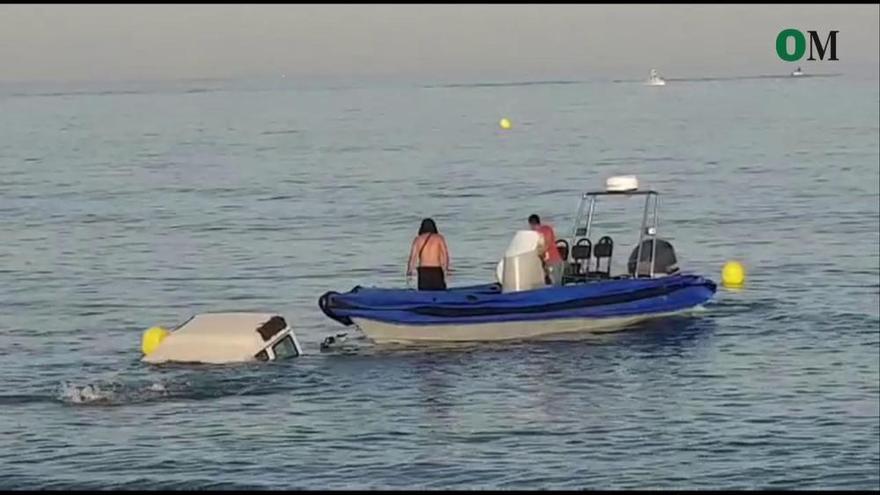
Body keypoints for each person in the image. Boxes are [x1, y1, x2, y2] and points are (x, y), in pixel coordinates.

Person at [406, 218, 450, 291]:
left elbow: (413, 257)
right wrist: (446, 269)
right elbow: (445, 255)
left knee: (424, 293)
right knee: (440, 292)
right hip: (436, 270)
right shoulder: (439, 238)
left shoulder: (418, 239)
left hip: (423, 271)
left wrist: (409, 270)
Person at [528, 214, 563, 286]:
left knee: (555, 283)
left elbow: (547, 244)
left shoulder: (545, 230)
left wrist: (538, 252)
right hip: (547, 261)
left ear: (531, 224)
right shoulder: (537, 233)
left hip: (553, 260)